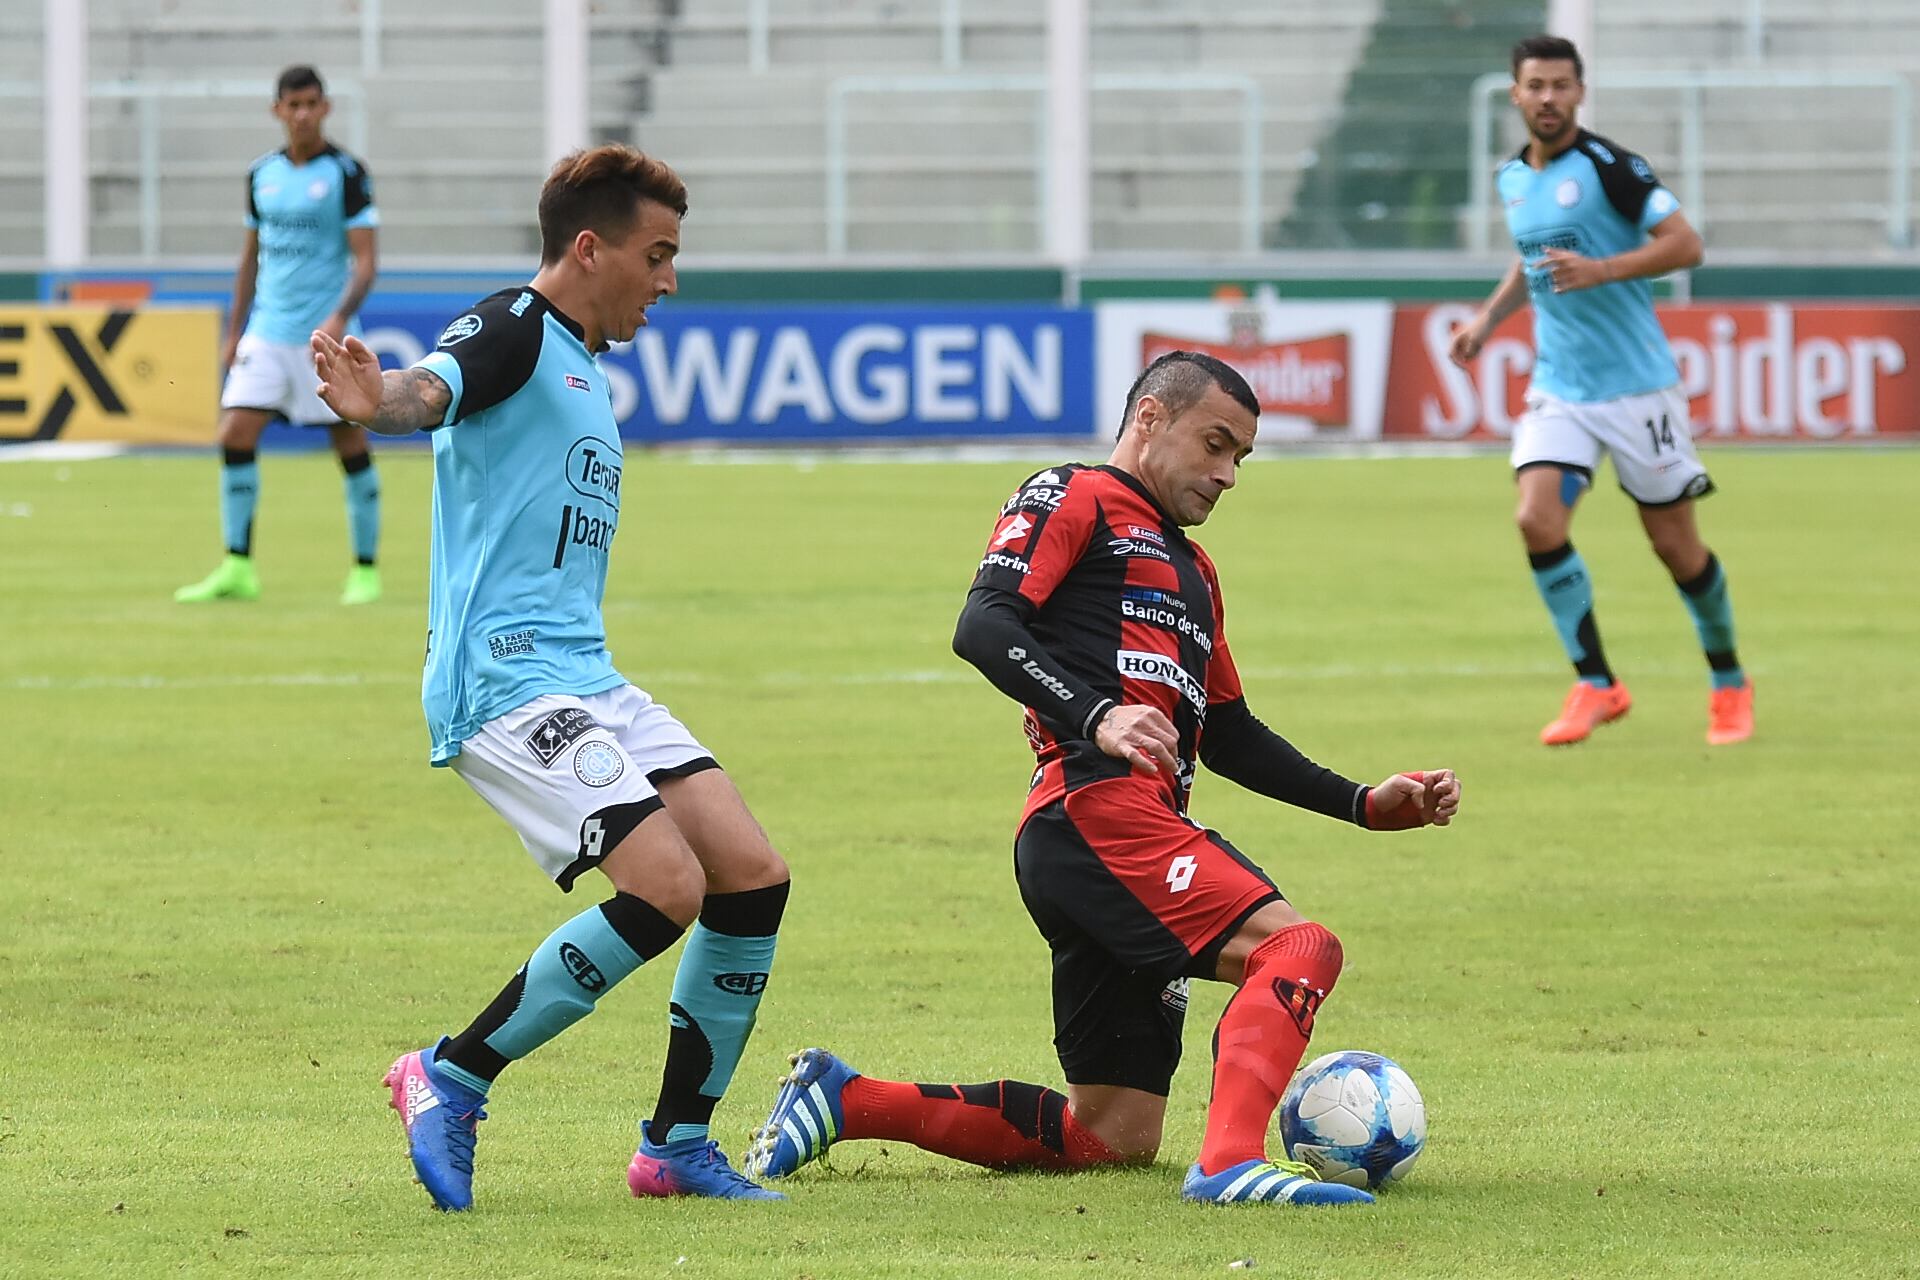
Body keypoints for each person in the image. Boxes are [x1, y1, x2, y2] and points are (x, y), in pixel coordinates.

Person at [745, 351, 1460, 1208]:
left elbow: (1225, 730)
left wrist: (1362, 804)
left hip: (1111, 838)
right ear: (1151, 420)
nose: (1229, 474)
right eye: (1216, 444)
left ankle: (847, 1099)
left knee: (1113, 1134)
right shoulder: (1073, 494)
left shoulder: (1196, 574)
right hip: (1095, 812)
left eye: (1243, 457)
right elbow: (983, 624)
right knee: (1297, 948)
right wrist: (1096, 714)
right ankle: (1231, 1164)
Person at [310, 145, 790, 1210]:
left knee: (749, 872)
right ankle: (449, 1074)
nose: (669, 279)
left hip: (585, 672)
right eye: (657, 255)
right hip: (504, 678)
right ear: (589, 246)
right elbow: (433, 388)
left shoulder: (582, 358)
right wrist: (376, 394)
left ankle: (674, 1143)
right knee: (667, 885)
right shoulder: (513, 326)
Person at [1449, 35, 1753, 747]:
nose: (1548, 98)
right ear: (1516, 94)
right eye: (1535, 85)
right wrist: (1488, 322)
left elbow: (1686, 244)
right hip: (1561, 387)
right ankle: (1596, 682)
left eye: (1561, 85)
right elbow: (1531, 262)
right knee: (1536, 520)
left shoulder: (1612, 168)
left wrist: (1603, 269)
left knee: (1675, 546)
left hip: (1639, 391)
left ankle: (1730, 682)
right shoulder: (1512, 178)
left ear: (1579, 93)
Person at [175, 64, 383, 606]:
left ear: (326, 108)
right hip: (267, 331)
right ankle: (237, 566)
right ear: (277, 110)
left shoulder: (346, 172)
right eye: (293, 105)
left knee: (350, 443)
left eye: (312, 103)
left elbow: (365, 262)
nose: (303, 114)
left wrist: (340, 318)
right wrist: (236, 327)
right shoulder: (260, 174)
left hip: (323, 334)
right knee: (235, 435)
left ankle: (365, 570)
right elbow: (251, 258)